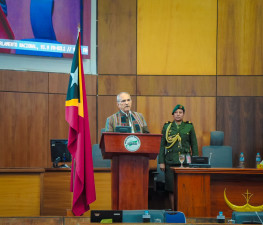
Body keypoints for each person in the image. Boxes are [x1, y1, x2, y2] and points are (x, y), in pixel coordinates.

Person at [158, 104, 198, 210]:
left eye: (180, 112)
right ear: (173, 115)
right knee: (171, 189)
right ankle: (173, 211)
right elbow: (162, 145)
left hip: (186, 162)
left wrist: (195, 160)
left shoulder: (189, 126)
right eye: (176, 113)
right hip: (170, 161)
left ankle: (184, 210)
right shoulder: (167, 127)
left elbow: (194, 144)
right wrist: (161, 161)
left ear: (183, 114)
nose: (178, 114)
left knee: (185, 188)